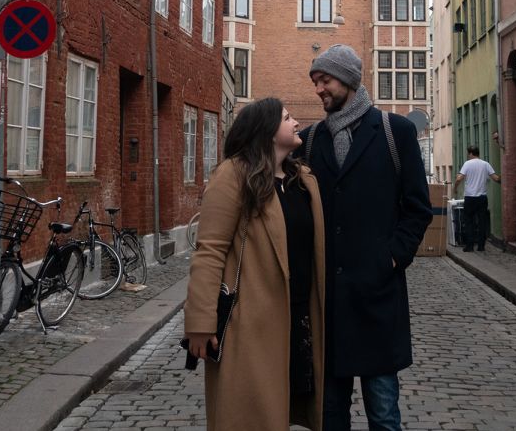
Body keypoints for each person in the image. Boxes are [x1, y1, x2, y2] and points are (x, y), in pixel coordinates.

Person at [298, 44, 433, 431]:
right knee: (330, 414)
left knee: (384, 412)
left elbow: (418, 207)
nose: (319, 89)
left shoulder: (396, 132)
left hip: (377, 298)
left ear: (349, 81)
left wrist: (391, 258)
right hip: (328, 302)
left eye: (325, 80)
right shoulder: (309, 141)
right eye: (315, 81)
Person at [184, 98, 326, 431]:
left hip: (300, 319)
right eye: (287, 117)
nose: (295, 122)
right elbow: (210, 251)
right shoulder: (233, 176)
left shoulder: (301, 180)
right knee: (254, 416)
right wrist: (200, 322)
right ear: (266, 130)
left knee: (288, 409)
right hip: (251, 323)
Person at [454, 145, 500, 252]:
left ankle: (469, 246)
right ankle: (481, 246)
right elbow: (496, 178)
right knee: (482, 222)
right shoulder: (485, 164)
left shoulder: (467, 164)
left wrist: (455, 187)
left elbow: (459, 178)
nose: (467, 155)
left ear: (470, 153)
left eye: (468, 153)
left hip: (470, 197)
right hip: (482, 198)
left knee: (469, 221)